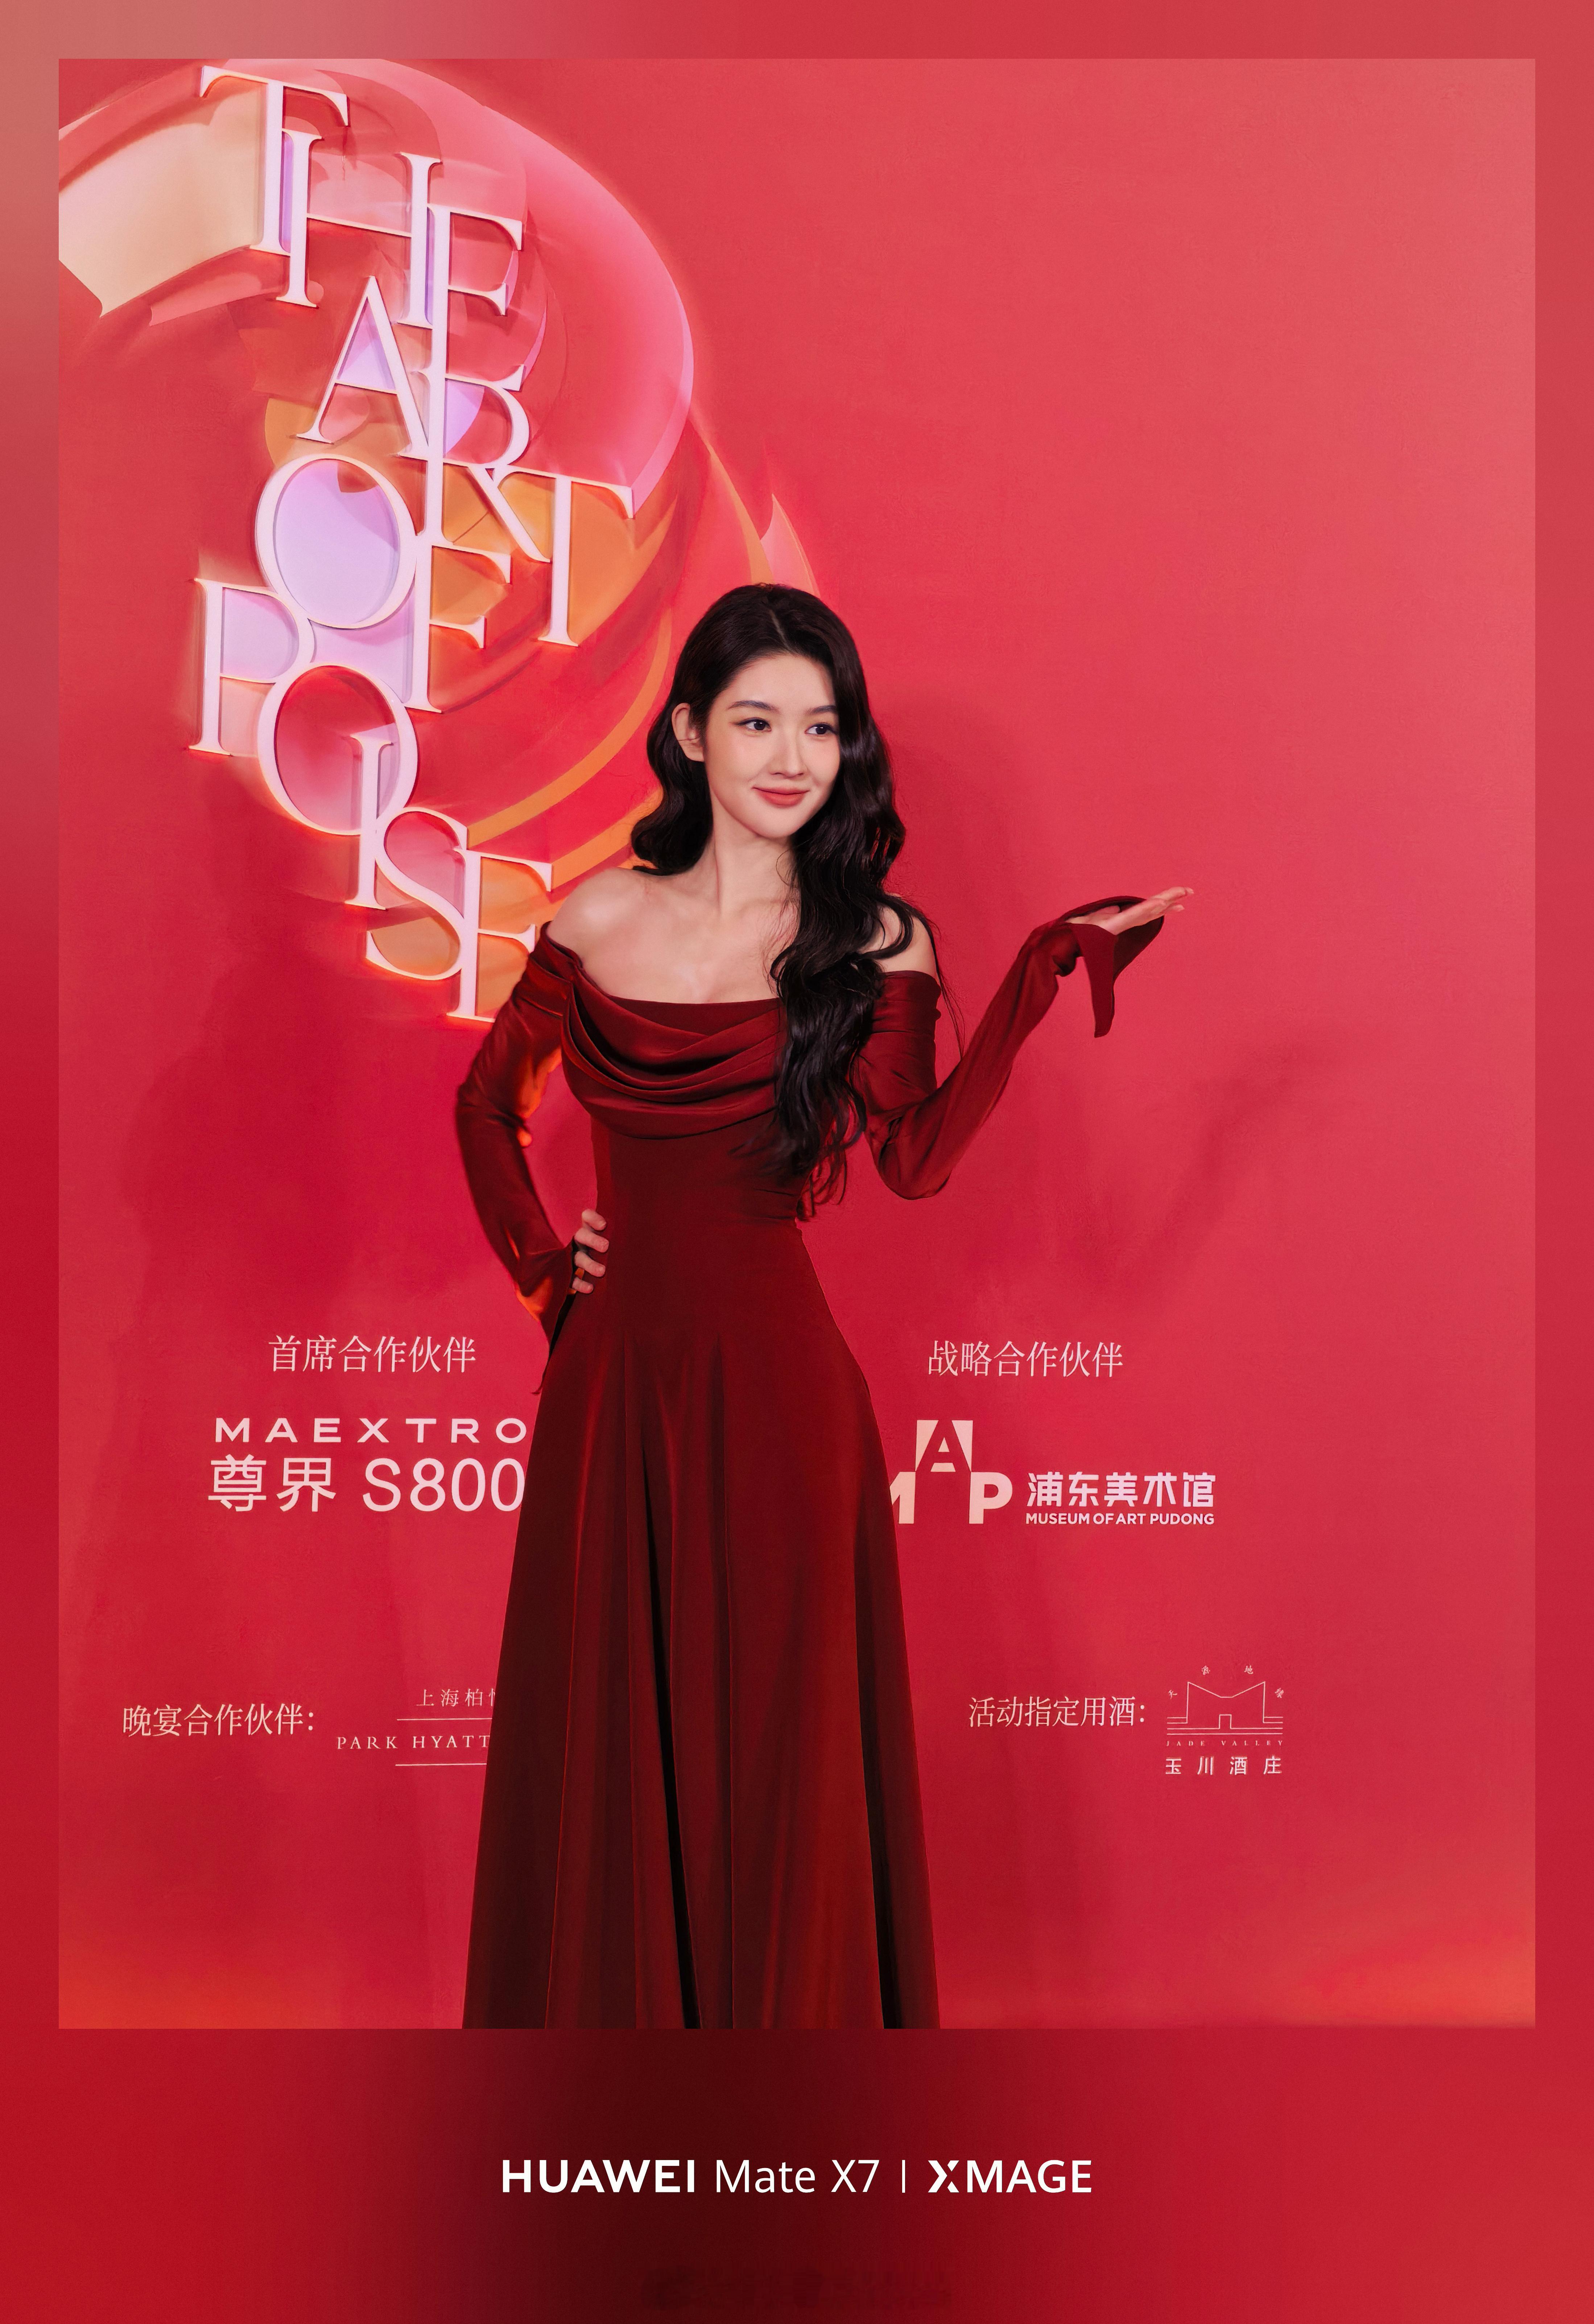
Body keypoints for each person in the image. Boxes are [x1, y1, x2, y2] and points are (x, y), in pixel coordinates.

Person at [455, 582, 1190, 2028]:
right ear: (688, 734)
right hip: (613, 1395)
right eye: (756, 723)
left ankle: (788, 2094)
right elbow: (486, 1106)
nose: (793, 757)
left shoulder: (874, 943)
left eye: (821, 726)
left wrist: (1038, 971)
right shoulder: (597, 917)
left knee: (781, 1761)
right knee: (613, 1739)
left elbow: (913, 1162)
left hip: (785, 1401)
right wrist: (544, 1267)